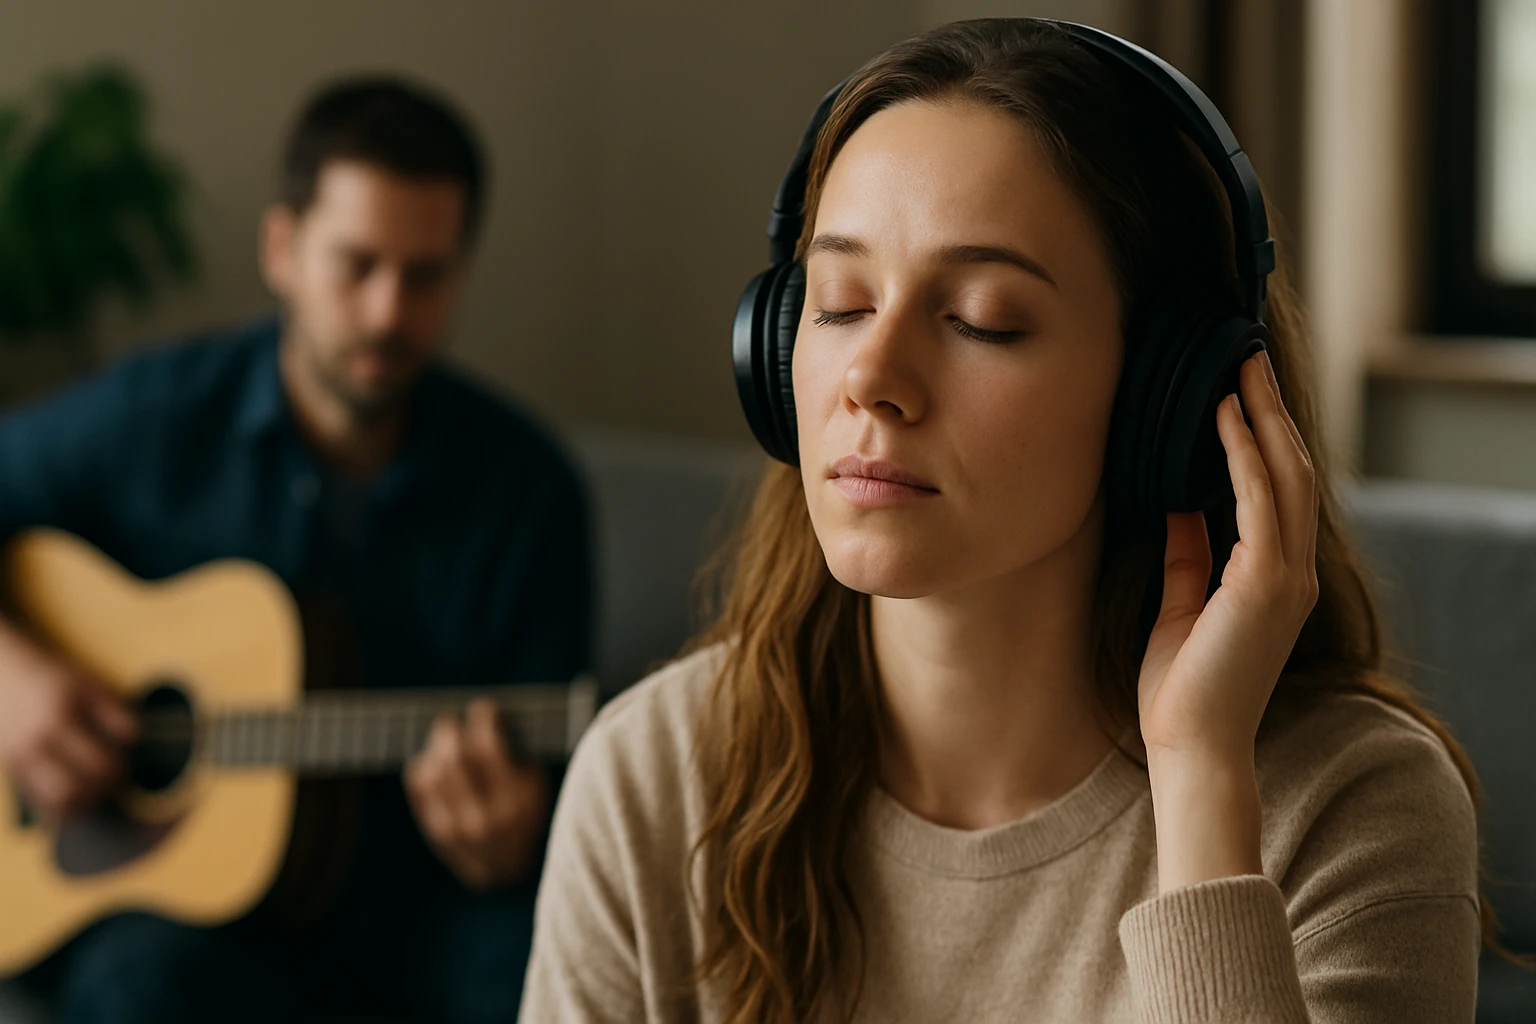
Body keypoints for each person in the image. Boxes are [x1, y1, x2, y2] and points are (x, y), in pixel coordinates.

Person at [522, 19, 1488, 1023]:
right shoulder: (653, 778)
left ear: (1167, 394)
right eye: (841, 302)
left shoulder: (1358, 805)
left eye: (982, 317)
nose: (872, 379)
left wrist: (1202, 780)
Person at [0, 76, 591, 1023]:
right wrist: (13, 674)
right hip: (174, 911)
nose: (390, 312)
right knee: (137, 986)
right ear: (283, 249)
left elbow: (561, 786)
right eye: (356, 265)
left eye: (427, 274)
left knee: (541, 962)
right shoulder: (153, 418)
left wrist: (515, 840)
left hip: (415, 910)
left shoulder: (529, 491)